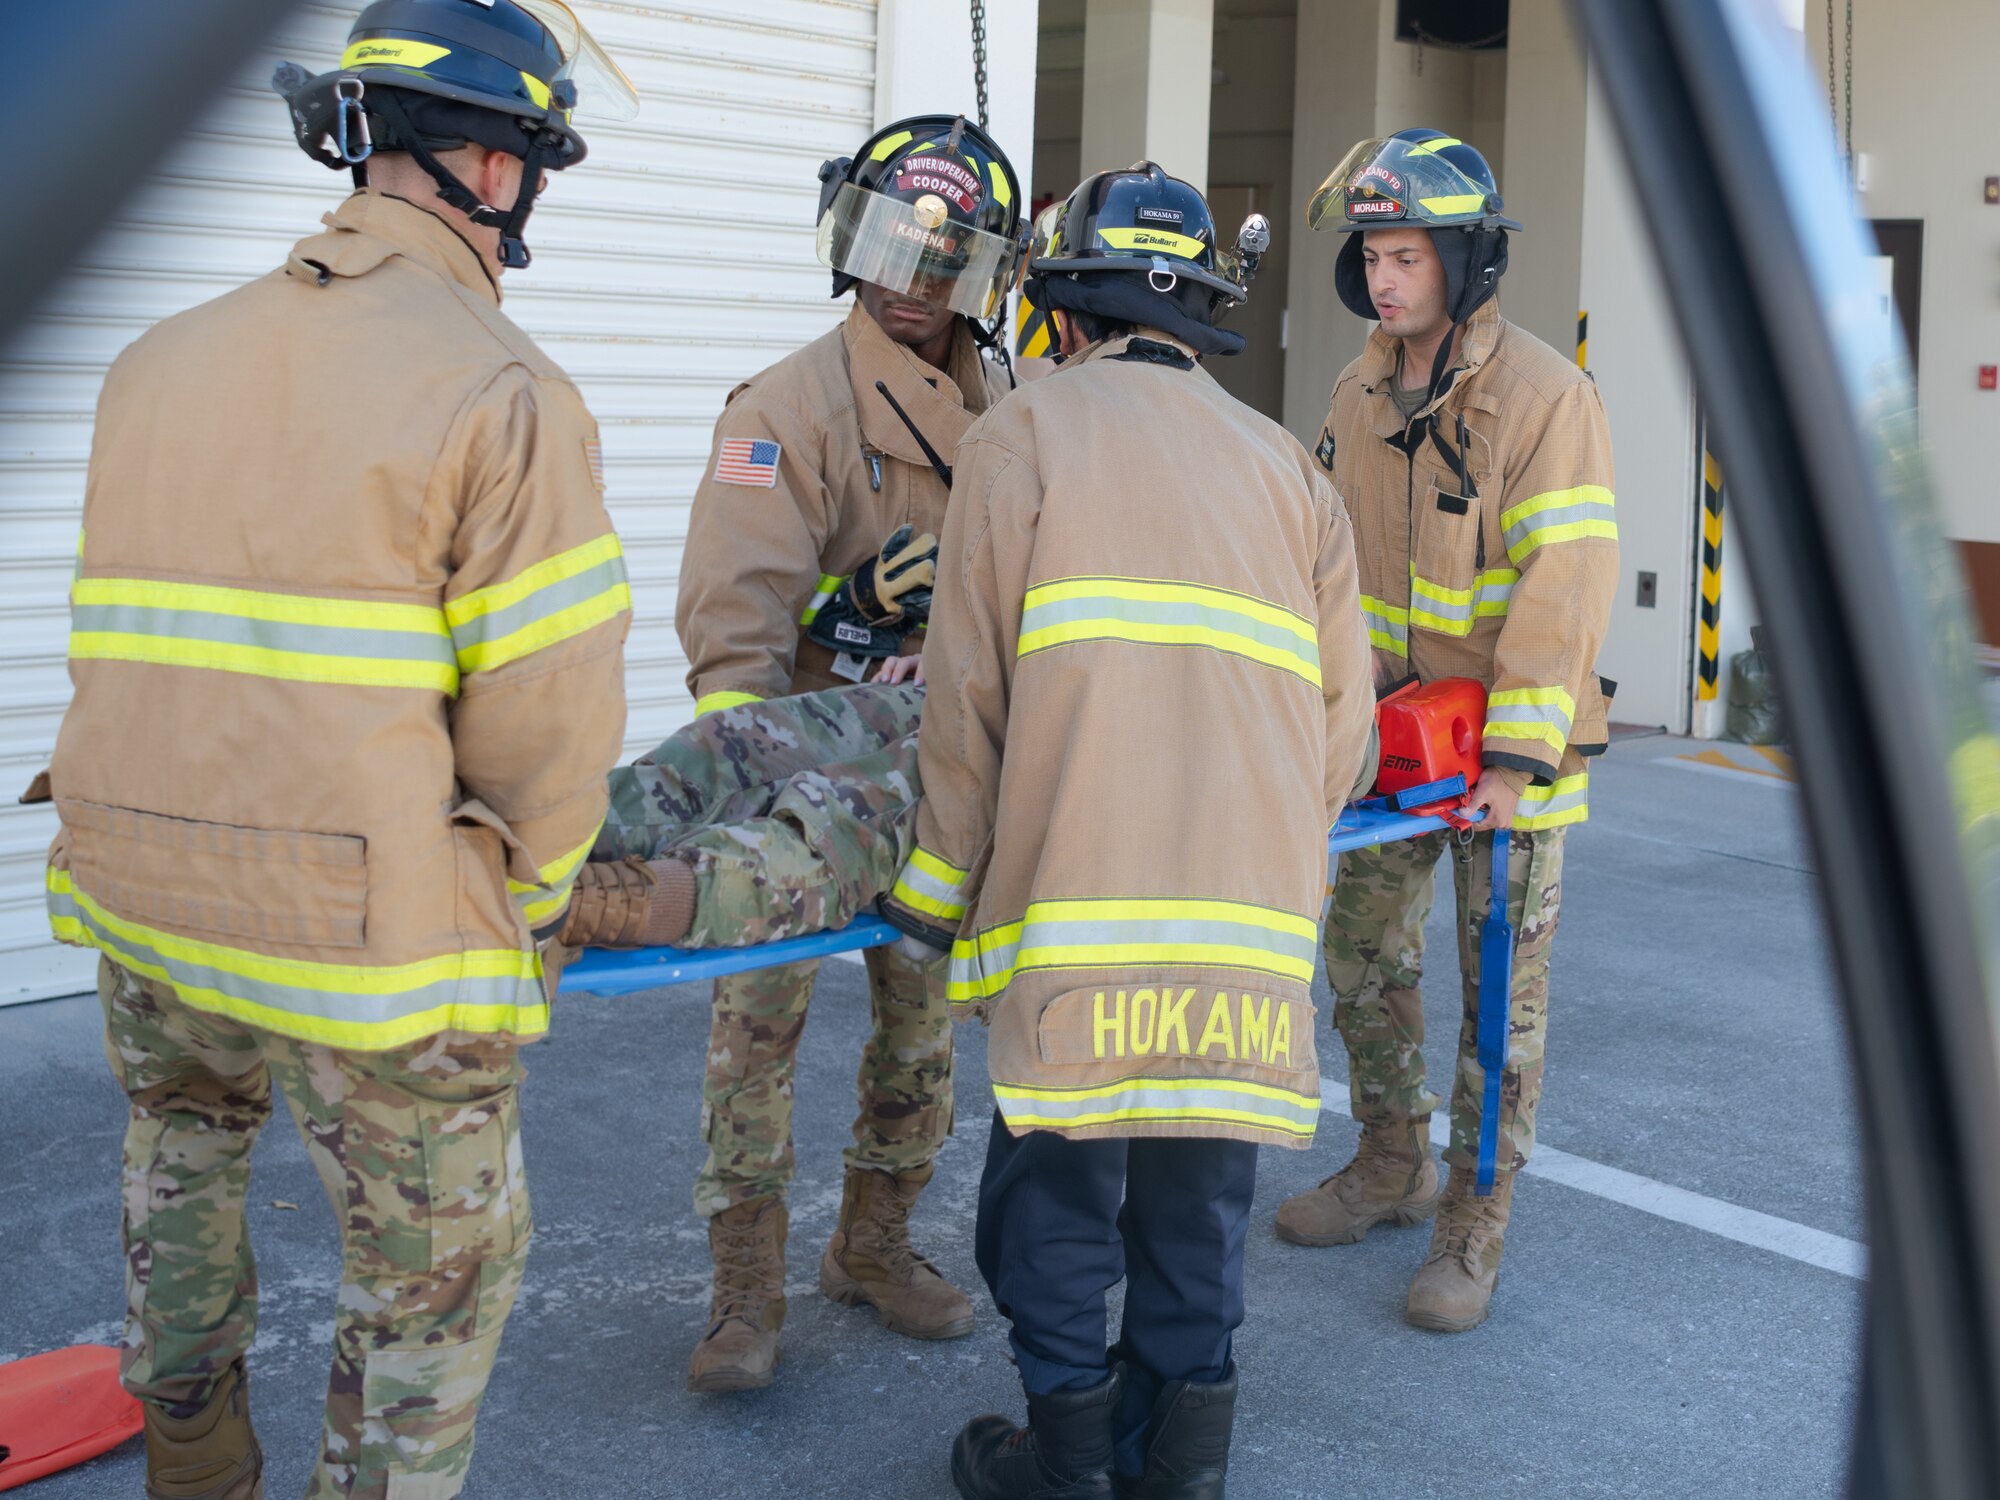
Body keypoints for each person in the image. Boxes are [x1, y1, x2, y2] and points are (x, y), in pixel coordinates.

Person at [30, 3, 637, 1494]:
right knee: (435, 1276)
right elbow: (548, 737)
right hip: (364, 945)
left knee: (179, 1158)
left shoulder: (153, 361)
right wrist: (536, 901)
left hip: (136, 892)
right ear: (497, 171)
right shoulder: (505, 389)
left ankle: (194, 1461)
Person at [874, 163, 1376, 1500]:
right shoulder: (1290, 473)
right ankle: (1178, 1475)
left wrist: (932, 895)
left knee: (1050, 1208)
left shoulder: (1018, 439)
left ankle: (1068, 1465)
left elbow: (967, 704)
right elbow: (1345, 738)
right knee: (1200, 1210)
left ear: (1063, 313)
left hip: (1076, 926)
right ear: (1197, 313)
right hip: (1248, 939)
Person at [666, 113, 1027, 1391]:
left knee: (919, 1029)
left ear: (987, 272)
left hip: (941, 780)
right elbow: (733, 630)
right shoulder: (787, 407)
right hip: (800, 784)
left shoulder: (1017, 408)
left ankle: (872, 1242)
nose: (909, 280)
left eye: (945, 258)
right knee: (757, 1034)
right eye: (884, 241)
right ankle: (742, 1290)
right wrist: (844, 617)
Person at [1275, 129, 1619, 1333]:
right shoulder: (1357, 388)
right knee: (1360, 959)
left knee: (1495, 1007)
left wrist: (1519, 759)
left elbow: (1563, 586)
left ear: (1464, 263)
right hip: (1393, 741)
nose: (1382, 277)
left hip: (1507, 761)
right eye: (1372, 253)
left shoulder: (1544, 399)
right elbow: (1333, 570)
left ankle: (1472, 1226)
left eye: (1407, 255)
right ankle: (1387, 1164)